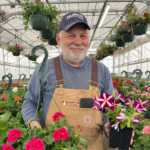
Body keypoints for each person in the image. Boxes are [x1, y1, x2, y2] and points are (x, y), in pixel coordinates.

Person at [22, 11, 133, 150]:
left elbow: (111, 108)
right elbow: (30, 102)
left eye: (83, 36)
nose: (78, 42)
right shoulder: (44, 69)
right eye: (71, 36)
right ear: (58, 39)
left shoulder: (101, 69)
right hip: (55, 146)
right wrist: (35, 126)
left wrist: (114, 126)